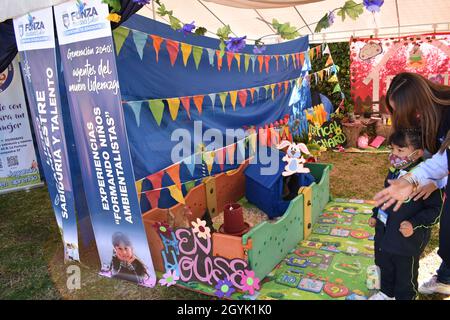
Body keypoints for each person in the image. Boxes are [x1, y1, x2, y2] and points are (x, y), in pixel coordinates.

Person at [374, 72, 450, 295]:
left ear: (416, 105)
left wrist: (425, 181)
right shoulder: (429, 119)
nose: (400, 117)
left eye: (401, 111)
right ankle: (445, 277)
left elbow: (444, 157)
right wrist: (422, 178)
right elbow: (438, 156)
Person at [368, 130, 443, 300]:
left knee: (404, 276)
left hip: (406, 241)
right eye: (392, 149)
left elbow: (435, 211)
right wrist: (375, 214)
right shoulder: (394, 170)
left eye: (400, 151)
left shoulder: (428, 179)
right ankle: (386, 293)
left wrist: (413, 224)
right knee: (384, 265)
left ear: (417, 153)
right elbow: (386, 194)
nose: (394, 154)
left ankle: (405, 296)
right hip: (385, 235)